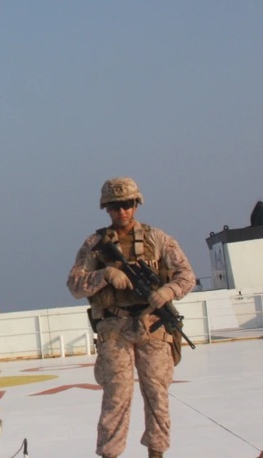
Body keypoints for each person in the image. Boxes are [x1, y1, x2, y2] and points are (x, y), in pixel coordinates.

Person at [67, 178, 196, 458]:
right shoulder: (95, 244)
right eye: (114, 207)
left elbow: (187, 276)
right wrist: (105, 275)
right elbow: (74, 284)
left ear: (136, 204)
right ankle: (110, 453)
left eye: (126, 205)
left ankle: (156, 452)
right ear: (106, 209)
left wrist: (167, 291)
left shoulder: (157, 239)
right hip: (115, 328)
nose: (121, 212)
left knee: (157, 394)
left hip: (153, 325)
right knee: (116, 396)